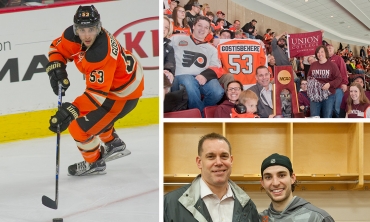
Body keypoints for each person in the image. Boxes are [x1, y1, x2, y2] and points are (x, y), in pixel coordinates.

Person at [46, 5, 143, 176]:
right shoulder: (72, 36)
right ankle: (113, 142)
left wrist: (72, 111)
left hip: (123, 95)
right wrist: (57, 66)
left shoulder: (99, 53)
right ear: (76, 28)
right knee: (96, 118)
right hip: (122, 81)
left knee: (78, 126)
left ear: (98, 27)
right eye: (82, 30)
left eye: (91, 29)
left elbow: (96, 97)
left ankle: (95, 162)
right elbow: (56, 48)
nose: (87, 35)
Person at [164, 132, 260, 222]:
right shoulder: (169, 204)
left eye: (224, 156)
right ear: (199, 162)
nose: (218, 162)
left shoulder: (249, 206)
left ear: (231, 160)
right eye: (211, 156)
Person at [170, 16, 224, 117]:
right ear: (193, 26)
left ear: (209, 31)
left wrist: (204, 75)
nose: (202, 29)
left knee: (218, 92)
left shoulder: (212, 49)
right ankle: (201, 117)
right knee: (189, 84)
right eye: (199, 25)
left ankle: (198, 113)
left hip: (203, 76)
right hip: (182, 75)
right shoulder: (177, 38)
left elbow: (217, 68)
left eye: (206, 27)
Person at [260, 153, 335, 222]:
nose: (275, 183)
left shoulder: (318, 218)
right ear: (262, 183)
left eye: (281, 175)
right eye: (268, 177)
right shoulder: (259, 219)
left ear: (292, 178)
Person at [307, 45, 341, 118]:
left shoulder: (332, 65)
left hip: (328, 95)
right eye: (318, 52)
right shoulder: (313, 65)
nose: (320, 54)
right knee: (314, 117)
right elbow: (309, 77)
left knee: (327, 117)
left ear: (326, 53)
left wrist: (329, 84)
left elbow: (339, 79)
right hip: (315, 95)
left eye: (322, 52)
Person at [326, 44, 348, 118]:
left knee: (338, 108)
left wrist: (344, 83)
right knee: (329, 109)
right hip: (327, 89)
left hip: (338, 87)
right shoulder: (323, 60)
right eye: (327, 48)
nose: (329, 49)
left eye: (330, 48)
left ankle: (342, 125)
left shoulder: (338, 58)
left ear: (333, 49)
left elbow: (343, 70)